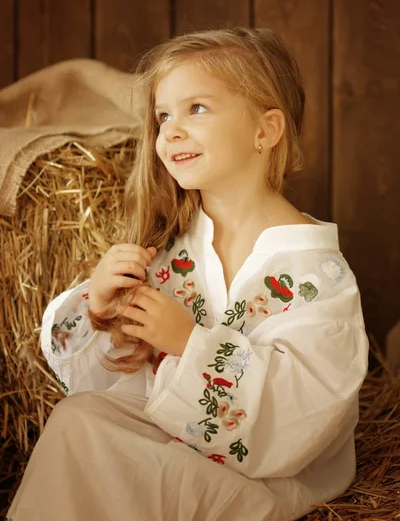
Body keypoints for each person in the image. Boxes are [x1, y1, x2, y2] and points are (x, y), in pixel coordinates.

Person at [7, 27, 369, 521]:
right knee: (79, 420)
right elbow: (118, 388)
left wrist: (188, 343)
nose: (170, 131)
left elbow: (303, 412)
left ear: (265, 130)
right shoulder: (173, 249)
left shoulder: (318, 275)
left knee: (106, 445)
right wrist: (102, 309)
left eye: (196, 109)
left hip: (261, 479)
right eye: (163, 116)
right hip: (172, 444)